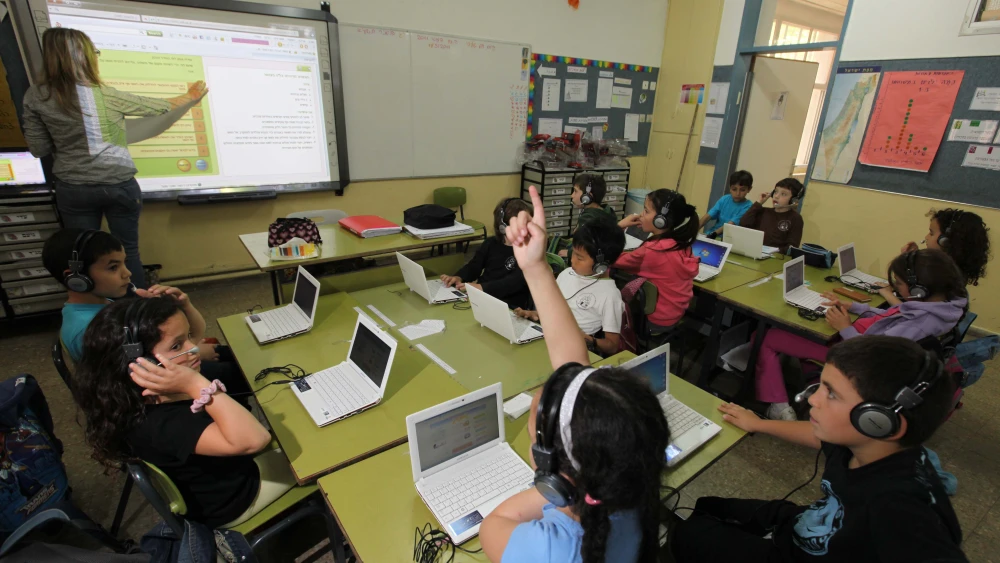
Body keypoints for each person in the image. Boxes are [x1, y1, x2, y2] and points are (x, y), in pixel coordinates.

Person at [480, 185, 669, 563]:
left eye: (538, 413)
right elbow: (572, 364)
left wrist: (556, 491)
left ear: (549, 466)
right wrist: (533, 265)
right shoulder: (626, 490)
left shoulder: (549, 548)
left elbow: (494, 523)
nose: (542, 395)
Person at [672, 336, 967, 563]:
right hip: (802, 523)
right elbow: (816, 437)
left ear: (879, 422)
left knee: (687, 534)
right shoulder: (860, 442)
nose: (812, 400)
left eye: (832, 393)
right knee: (707, 505)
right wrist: (758, 424)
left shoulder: (900, 506)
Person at [72, 297, 295, 528]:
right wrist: (195, 384)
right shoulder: (161, 423)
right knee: (317, 453)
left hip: (228, 471)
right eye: (177, 346)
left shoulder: (138, 398)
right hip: (237, 498)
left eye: (188, 337)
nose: (194, 348)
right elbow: (255, 440)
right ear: (139, 364)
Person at [22, 28, 208, 288]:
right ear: (86, 57)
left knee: (84, 255)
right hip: (119, 184)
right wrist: (190, 97)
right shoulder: (104, 94)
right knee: (127, 251)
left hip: (74, 187)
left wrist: (68, 138)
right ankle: (137, 311)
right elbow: (156, 106)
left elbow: (39, 148)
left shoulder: (36, 96)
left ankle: (100, 312)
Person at [755, 249, 967, 421]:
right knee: (804, 335)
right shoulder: (936, 308)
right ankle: (815, 383)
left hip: (855, 354)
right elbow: (891, 315)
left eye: (899, 284)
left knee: (769, 337)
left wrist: (845, 327)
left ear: (919, 290)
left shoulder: (919, 324)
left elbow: (875, 356)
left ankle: (779, 407)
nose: (895, 289)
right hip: (857, 341)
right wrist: (854, 306)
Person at [42, 228, 238, 389]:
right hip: (152, 391)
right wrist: (196, 352)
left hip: (169, 366)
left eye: (124, 264)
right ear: (76, 279)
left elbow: (194, 334)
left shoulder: (105, 306)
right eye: (113, 267)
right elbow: (141, 376)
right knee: (241, 372)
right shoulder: (90, 328)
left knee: (234, 353)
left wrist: (181, 306)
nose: (127, 273)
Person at [514, 221, 627, 356]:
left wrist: (588, 339)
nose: (572, 260)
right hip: (547, 337)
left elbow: (612, 346)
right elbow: (553, 311)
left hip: (573, 349)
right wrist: (534, 314)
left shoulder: (610, 295)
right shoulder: (567, 274)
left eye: (580, 258)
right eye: (573, 253)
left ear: (601, 265)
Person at [614, 189, 700, 331]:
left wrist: (619, 226)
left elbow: (612, 258)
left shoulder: (652, 250)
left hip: (652, 321)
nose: (641, 215)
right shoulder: (681, 244)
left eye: (646, 211)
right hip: (674, 315)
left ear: (660, 221)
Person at [441, 197, 533, 309]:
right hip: (482, 297)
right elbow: (474, 266)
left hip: (509, 304)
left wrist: (481, 287)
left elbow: (514, 283)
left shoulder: (528, 251)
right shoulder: (491, 243)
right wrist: (459, 277)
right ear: (503, 227)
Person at [894, 208, 990, 296]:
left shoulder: (942, 276)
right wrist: (913, 257)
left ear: (946, 241)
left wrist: (887, 294)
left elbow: (913, 304)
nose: (926, 237)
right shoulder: (953, 267)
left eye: (931, 233)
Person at [556, 174, 621, 257]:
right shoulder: (607, 210)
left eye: (575, 191)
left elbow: (586, 248)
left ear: (587, 197)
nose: (572, 195)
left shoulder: (588, 219)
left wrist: (569, 253)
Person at [739, 177, 804, 253]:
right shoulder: (764, 211)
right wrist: (759, 203)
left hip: (776, 257)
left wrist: (772, 251)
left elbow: (791, 247)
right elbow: (743, 223)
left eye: (783, 194)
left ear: (794, 200)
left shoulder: (795, 218)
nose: (776, 196)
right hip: (755, 252)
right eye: (776, 192)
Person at [699, 170, 754, 237]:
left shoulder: (748, 206)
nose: (737, 193)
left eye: (742, 190)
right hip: (712, 234)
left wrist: (712, 235)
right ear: (730, 188)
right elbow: (708, 216)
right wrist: (693, 231)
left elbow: (730, 225)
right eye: (734, 189)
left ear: (749, 189)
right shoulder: (724, 199)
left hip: (728, 238)